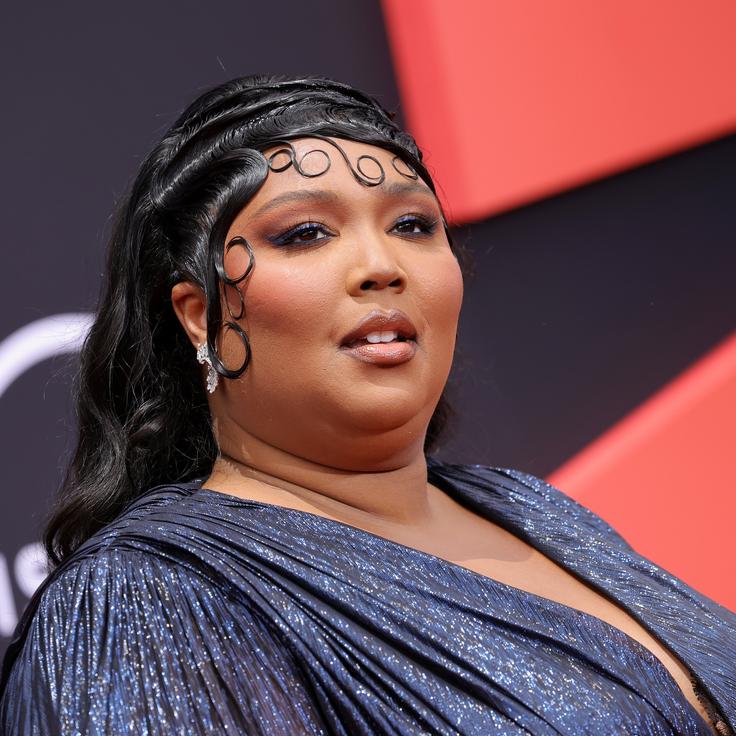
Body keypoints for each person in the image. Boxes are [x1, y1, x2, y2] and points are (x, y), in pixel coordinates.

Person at [0, 75, 733, 736]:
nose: (381, 266)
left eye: (413, 225)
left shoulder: (536, 511)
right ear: (199, 316)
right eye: (306, 233)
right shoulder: (146, 604)